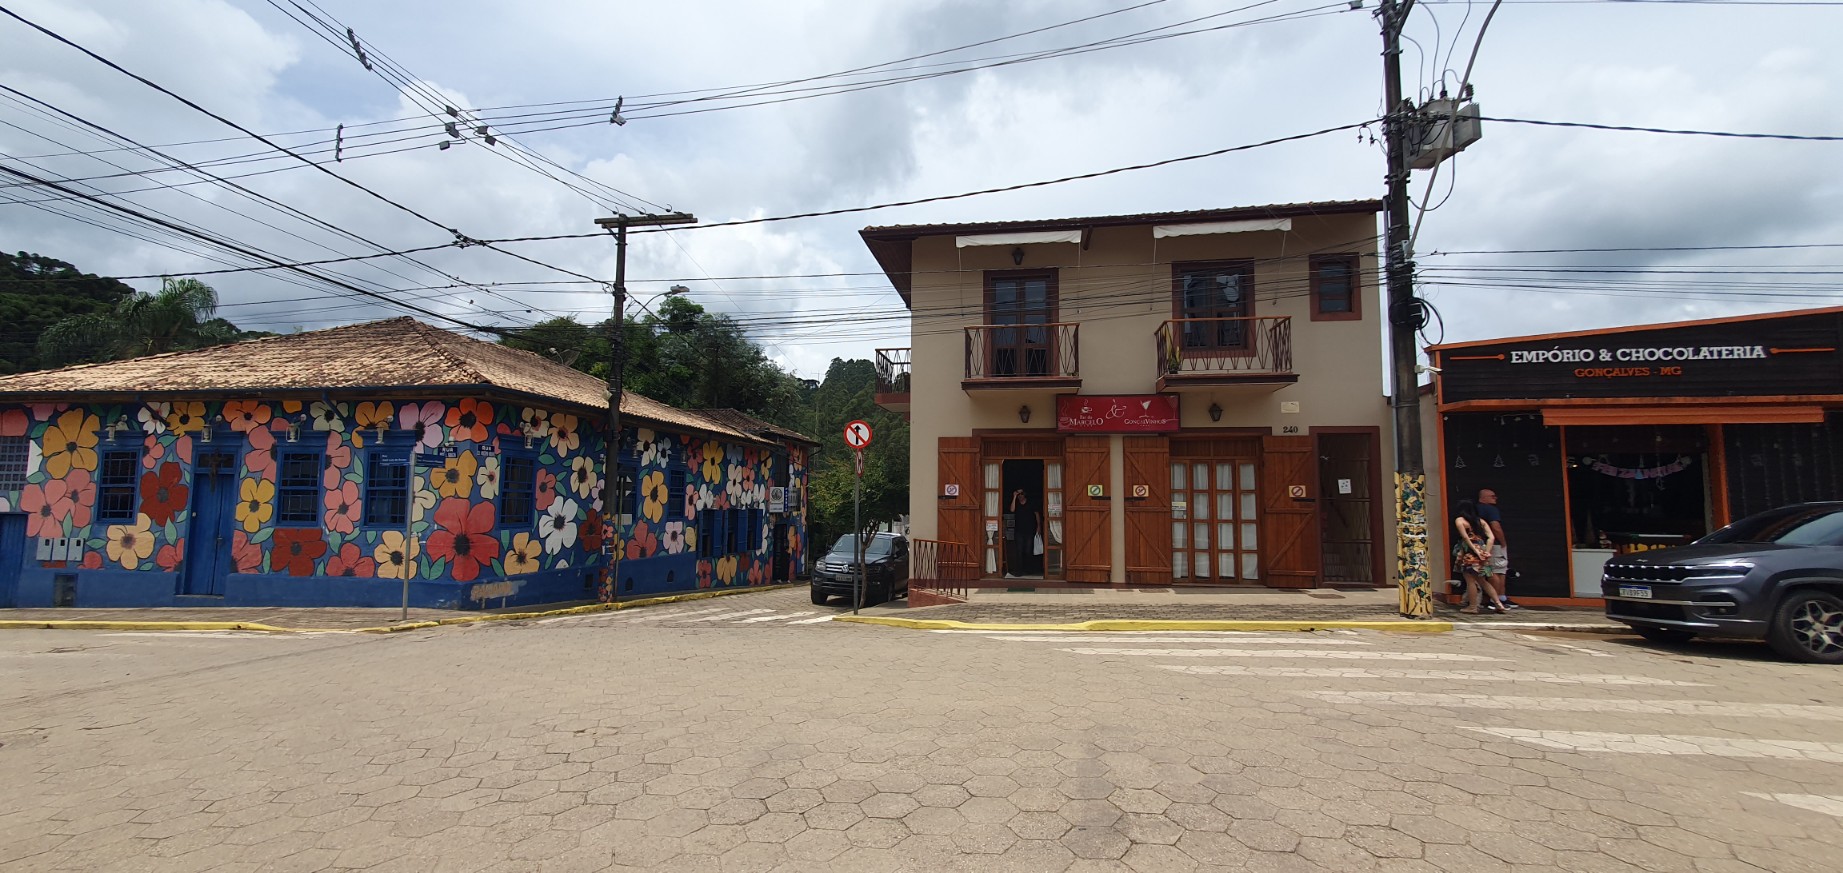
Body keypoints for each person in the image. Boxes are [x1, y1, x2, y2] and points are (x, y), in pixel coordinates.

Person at [1452, 499, 1507, 615]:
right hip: (1482, 552)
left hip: (1469, 554)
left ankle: (1473, 606)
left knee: (1470, 580)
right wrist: (1486, 552)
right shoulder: (1480, 521)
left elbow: (1465, 538)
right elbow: (1491, 537)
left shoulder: (1460, 520)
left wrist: (1475, 551)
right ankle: (1498, 603)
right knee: (1483, 580)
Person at [1477, 488, 1518, 609]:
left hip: (1479, 542)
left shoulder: (1476, 509)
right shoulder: (1490, 509)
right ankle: (1495, 599)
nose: (1495, 498)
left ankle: (1501, 597)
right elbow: (1496, 527)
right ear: (1483, 498)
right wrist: (1503, 542)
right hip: (1493, 544)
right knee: (1496, 570)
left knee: (1500, 569)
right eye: (1492, 496)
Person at [1009, 488, 1043, 577]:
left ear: (1025, 495)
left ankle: (1029, 570)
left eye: (1022, 494)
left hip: (1030, 530)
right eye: (1018, 494)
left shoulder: (1031, 503)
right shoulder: (1016, 503)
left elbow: (1037, 514)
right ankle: (1019, 571)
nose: (1020, 496)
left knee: (1028, 551)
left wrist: (1039, 526)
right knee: (1019, 551)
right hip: (1019, 531)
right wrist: (1014, 497)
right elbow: (1012, 510)